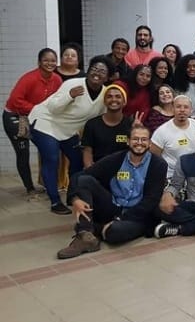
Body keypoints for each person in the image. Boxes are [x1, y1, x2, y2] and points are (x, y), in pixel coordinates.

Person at [56, 125, 167, 259]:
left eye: (144, 140)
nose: (139, 143)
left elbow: (151, 200)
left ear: (149, 143)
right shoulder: (117, 159)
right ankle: (85, 234)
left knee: (115, 233)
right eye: (135, 139)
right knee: (85, 180)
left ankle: (94, 228)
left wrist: (120, 219)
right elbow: (79, 176)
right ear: (128, 141)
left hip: (138, 215)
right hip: (113, 206)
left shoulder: (158, 164)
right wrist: (75, 199)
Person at [29, 56, 110, 214]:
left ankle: (73, 196)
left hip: (67, 131)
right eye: (94, 69)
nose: (96, 73)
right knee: (52, 158)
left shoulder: (105, 94)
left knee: (78, 160)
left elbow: (99, 118)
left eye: (102, 71)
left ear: (107, 77)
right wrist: (70, 96)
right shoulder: (73, 84)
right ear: (88, 71)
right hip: (46, 122)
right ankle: (55, 201)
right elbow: (53, 108)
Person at [4, 48, 62, 195]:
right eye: (46, 60)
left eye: (53, 60)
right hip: (17, 117)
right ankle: (29, 188)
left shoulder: (57, 79)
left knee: (48, 149)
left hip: (38, 118)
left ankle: (49, 183)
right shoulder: (28, 78)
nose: (50, 63)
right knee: (23, 152)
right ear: (39, 62)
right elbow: (15, 100)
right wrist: (38, 109)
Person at [149, 95, 195, 179]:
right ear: (173, 109)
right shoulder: (161, 131)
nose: (182, 110)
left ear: (191, 110)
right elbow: (153, 157)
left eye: (186, 107)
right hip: (171, 176)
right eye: (178, 107)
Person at [81, 85, 134, 167]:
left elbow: (137, 151)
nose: (113, 99)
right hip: (98, 169)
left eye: (118, 97)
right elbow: (87, 151)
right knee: (79, 179)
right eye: (109, 96)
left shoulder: (131, 124)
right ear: (105, 101)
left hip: (123, 171)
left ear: (124, 102)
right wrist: (90, 170)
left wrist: (137, 132)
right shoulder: (92, 124)